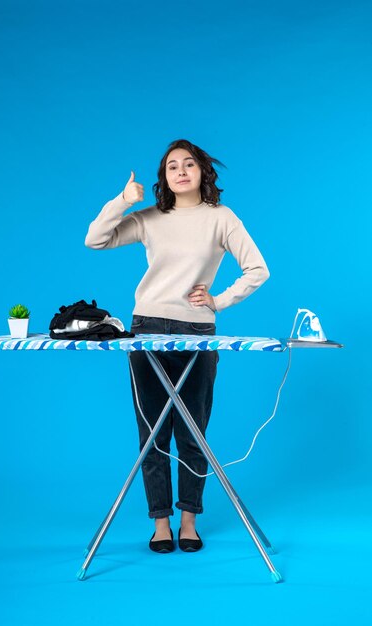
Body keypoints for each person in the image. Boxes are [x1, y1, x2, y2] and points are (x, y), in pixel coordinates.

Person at [85, 139, 270, 554]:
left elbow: (258, 269)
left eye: (189, 164)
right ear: (164, 177)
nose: (181, 171)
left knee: (193, 431)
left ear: (203, 172)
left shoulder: (222, 218)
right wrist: (122, 200)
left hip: (197, 331)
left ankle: (189, 519)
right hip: (147, 327)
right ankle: (160, 523)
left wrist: (219, 301)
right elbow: (95, 240)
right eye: (172, 166)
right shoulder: (150, 217)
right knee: (153, 434)